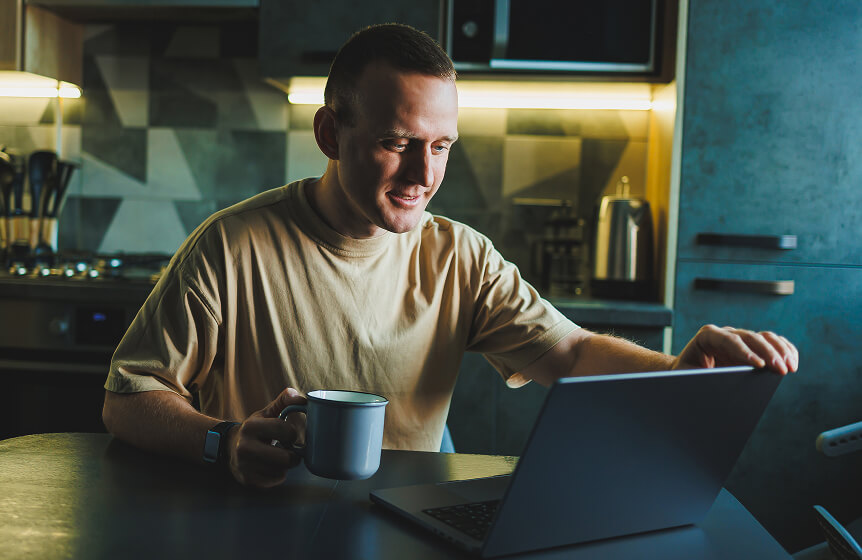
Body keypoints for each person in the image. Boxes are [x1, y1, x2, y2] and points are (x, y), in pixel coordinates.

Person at [102, 23, 798, 488]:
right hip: (262, 522)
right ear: (329, 131)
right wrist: (222, 443)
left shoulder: (460, 256)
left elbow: (571, 354)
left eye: (440, 147)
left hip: (411, 523)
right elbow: (129, 397)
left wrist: (680, 372)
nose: (421, 175)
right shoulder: (231, 245)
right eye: (396, 142)